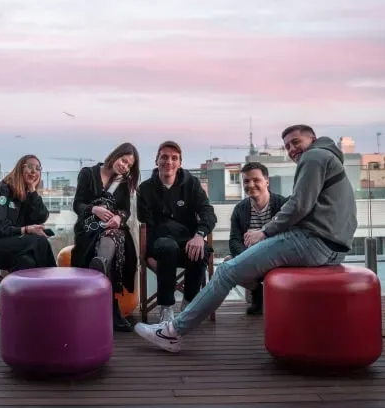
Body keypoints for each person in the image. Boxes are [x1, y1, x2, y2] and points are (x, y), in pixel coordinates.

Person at [134, 125, 358, 352]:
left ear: (313, 139)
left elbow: (299, 205)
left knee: (226, 271)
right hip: (335, 245)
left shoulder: (314, 157)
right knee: (224, 262)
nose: (291, 149)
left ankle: (172, 332)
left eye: (296, 142)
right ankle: (175, 315)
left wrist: (264, 232)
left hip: (314, 242)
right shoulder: (328, 158)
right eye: (288, 145)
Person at [0, 154, 56, 335]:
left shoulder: (26, 193)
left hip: (13, 248)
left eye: (38, 168)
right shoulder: (5, 190)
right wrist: (25, 230)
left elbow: (41, 216)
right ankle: (54, 298)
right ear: (19, 168)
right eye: (29, 167)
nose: (34, 171)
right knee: (38, 242)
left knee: (28, 263)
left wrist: (32, 191)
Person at [137, 141, 217, 323]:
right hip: (161, 245)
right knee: (167, 246)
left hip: (188, 242)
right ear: (156, 160)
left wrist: (199, 235)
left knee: (201, 250)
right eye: (164, 157)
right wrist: (148, 255)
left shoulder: (192, 184)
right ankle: (166, 308)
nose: (169, 162)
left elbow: (208, 212)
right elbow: (145, 226)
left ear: (180, 163)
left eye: (174, 158)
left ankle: (189, 303)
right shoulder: (145, 189)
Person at [71, 142, 140, 332]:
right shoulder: (88, 173)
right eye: (124, 160)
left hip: (113, 229)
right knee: (106, 240)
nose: (124, 166)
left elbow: (126, 210)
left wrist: (118, 217)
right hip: (89, 228)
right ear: (116, 155)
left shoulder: (123, 182)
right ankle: (112, 307)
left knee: (113, 237)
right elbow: (77, 204)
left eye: (129, 166)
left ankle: (100, 265)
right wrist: (94, 209)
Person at [229, 162, 287, 315]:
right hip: (251, 259)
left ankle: (280, 298)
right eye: (246, 181)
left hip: (277, 258)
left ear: (267, 181)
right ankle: (257, 292)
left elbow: (288, 237)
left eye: (256, 180)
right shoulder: (240, 209)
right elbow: (234, 240)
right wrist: (246, 257)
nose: (251, 184)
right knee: (228, 263)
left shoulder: (283, 205)